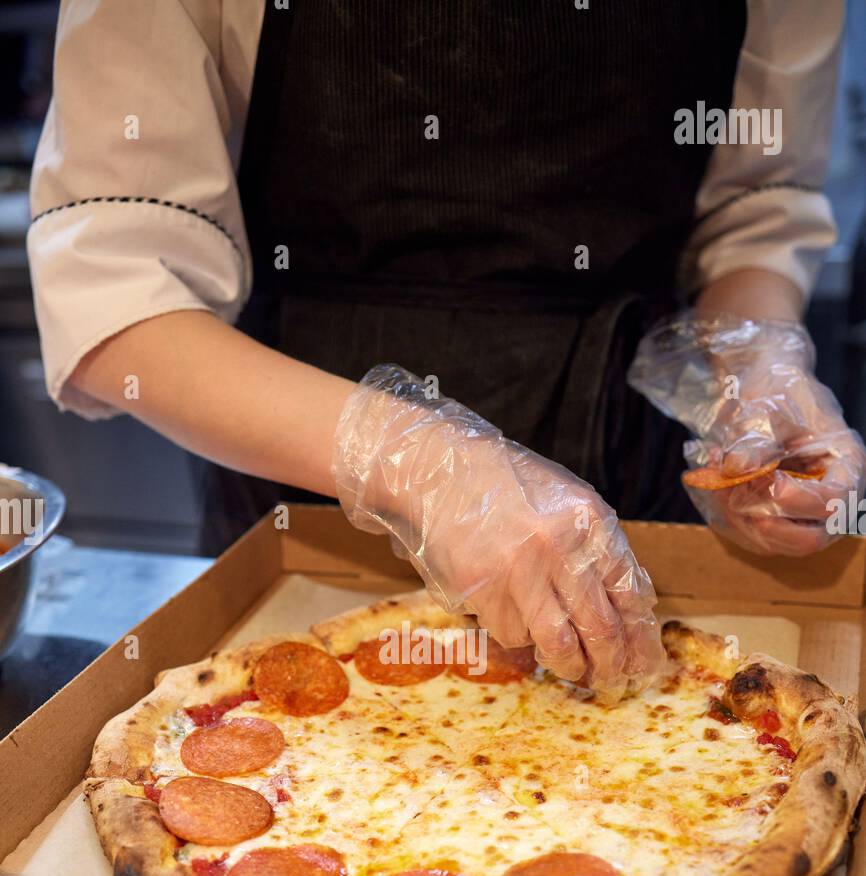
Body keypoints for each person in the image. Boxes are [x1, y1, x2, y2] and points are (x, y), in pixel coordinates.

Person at [26, 0, 864, 700]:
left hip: (634, 479)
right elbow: (116, 289)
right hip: (307, 486)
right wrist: (418, 461)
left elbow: (757, 206)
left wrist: (754, 367)